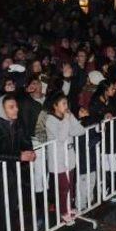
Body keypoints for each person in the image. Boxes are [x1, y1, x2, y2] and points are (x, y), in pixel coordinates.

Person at [0, 94, 35, 231]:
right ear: (2, 109)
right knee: (1, 210)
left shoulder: (17, 123)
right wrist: (19, 156)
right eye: (11, 107)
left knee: (12, 208)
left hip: (13, 173)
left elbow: (25, 139)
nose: (16, 109)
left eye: (16, 106)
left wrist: (29, 150)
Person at [45, 92, 87, 224]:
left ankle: (70, 208)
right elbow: (61, 137)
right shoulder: (50, 120)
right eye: (63, 104)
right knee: (63, 187)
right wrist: (66, 120)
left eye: (66, 103)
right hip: (58, 160)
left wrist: (72, 119)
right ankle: (63, 212)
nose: (66, 106)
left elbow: (80, 131)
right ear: (55, 106)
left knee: (71, 185)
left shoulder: (67, 117)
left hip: (70, 157)